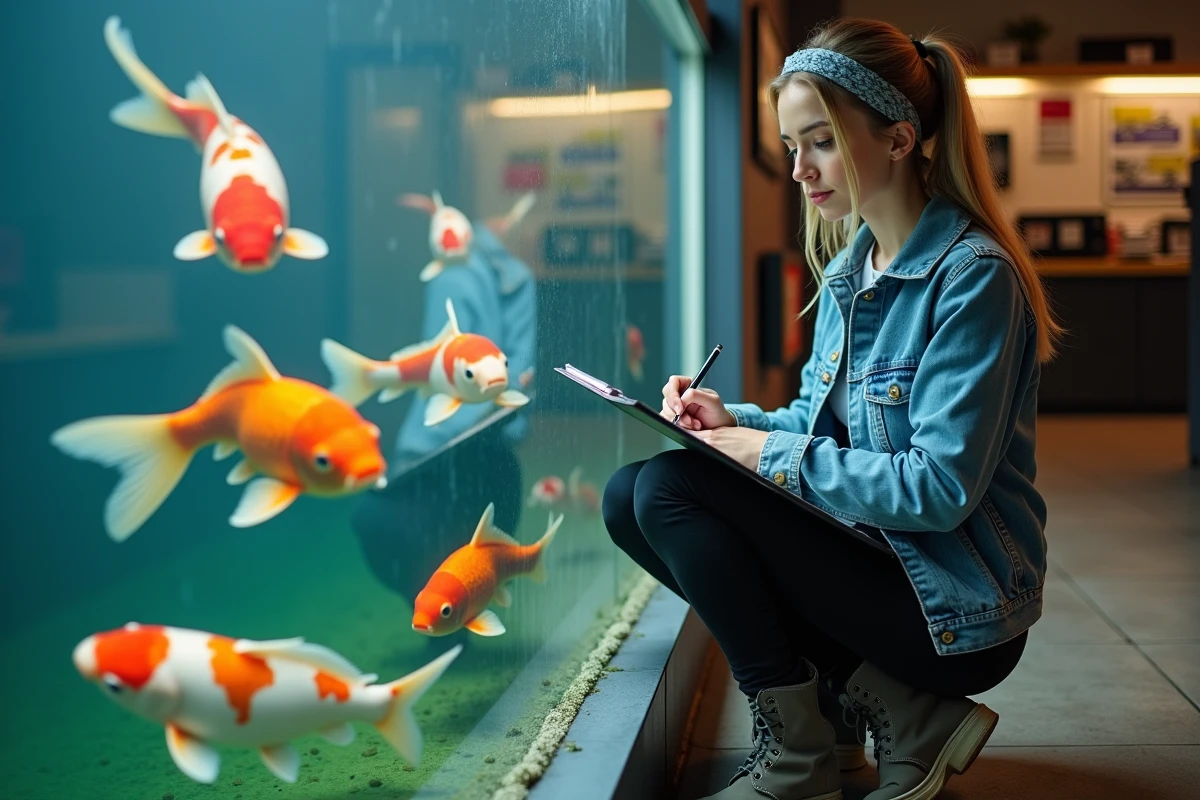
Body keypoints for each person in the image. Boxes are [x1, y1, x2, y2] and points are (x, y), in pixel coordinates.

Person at [602, 17, 1063, 800]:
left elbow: (935, 488)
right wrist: (734, 423)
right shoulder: (856, 269)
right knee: (628, 495)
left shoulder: (973, 277)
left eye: (819, 141)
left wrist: (760, 454)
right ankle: (878, 717)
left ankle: (803, 758)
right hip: (881, 571)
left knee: (670, 490)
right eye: (790, 147)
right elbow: (828, 433)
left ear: (899, 138)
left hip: (953, 606)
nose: (799, 170)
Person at [352, 222, 537, 629]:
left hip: (468, 449)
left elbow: (515, 377)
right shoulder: (472, 278)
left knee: (391, 523)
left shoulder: (481, 279)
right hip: (451, 449)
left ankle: (450, 615)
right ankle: (445, 614)